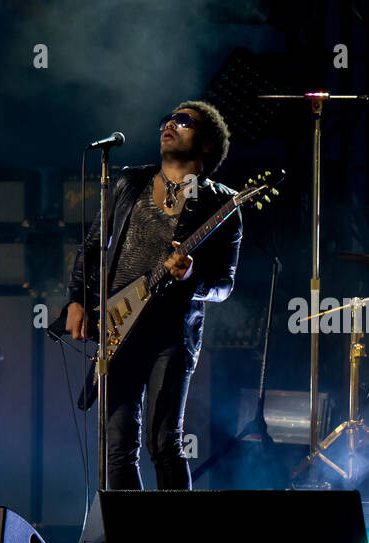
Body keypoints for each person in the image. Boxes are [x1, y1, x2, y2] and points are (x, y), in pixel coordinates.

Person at [65, 100, 240, 491]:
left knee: (164, 444)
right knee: (118, 447)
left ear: (207, 144)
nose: (170, 125)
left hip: (171, 335)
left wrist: (193, 274)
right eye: (168, 119)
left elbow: (225, 285)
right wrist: (76, 297)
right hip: (119, 326)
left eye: (184, 121)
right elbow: (92, 247)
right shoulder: (129, 182)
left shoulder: (222, 204)